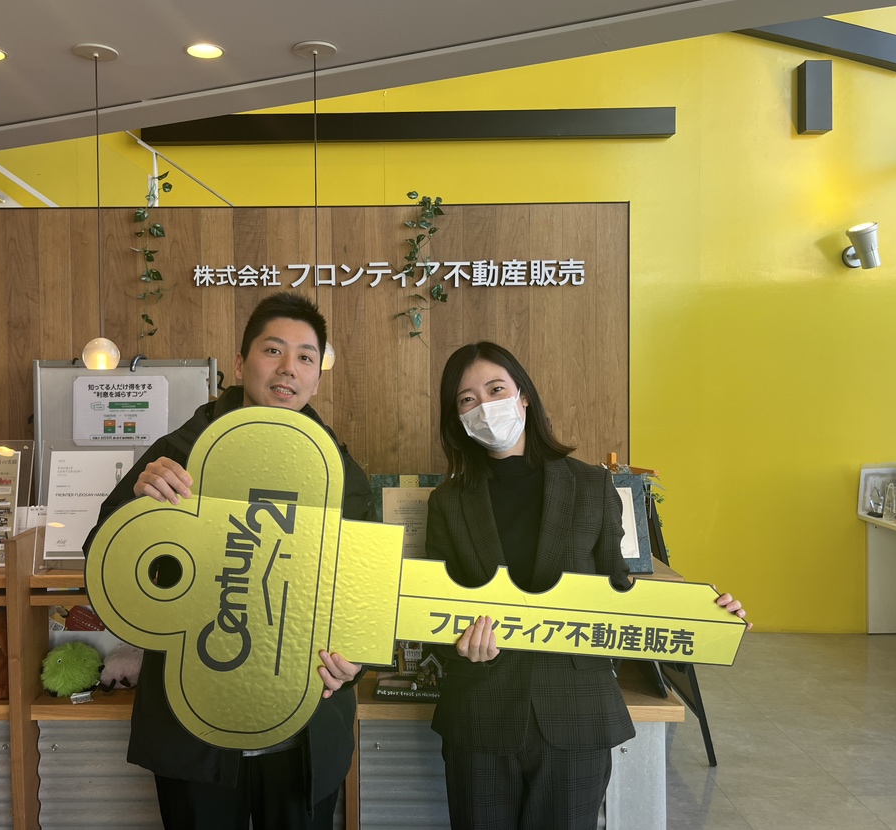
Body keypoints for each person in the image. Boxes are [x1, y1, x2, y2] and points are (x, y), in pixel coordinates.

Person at [425, 341, 747, 830]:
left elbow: (619, 593)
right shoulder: (448, 502)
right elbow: (431, 609)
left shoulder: (592, 486)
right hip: (479, 715)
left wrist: (705, 619)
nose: (485, 407)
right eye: (467, 399)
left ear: (524, 396)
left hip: (575, 711)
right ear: (457, 418)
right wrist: (458, 646)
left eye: (496, 390)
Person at [84, 292, 372, 830]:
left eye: (306, 357)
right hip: (194, 730)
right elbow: (100, 559)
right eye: (273, 350)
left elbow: (364, 590)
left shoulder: (341, 472)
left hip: (304, 731)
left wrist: (354, 662)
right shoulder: (178, 454)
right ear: (240, 364)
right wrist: (137, 510)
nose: (289, 369)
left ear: (316, 378)